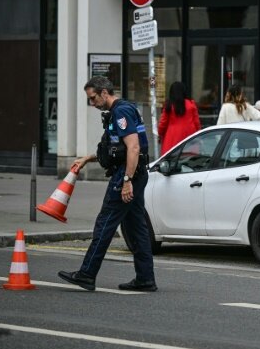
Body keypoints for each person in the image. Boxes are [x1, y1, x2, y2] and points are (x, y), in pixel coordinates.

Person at [58, 76, 156, 292]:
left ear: (104, 93)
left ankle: (87, 274)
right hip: (134, 172)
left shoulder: (121, 112)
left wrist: (127, 181)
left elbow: (133, 148)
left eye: (93, 98)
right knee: (136, 226)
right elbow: (115, 149)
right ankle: (145, 279)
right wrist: (88, 158)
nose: (92, 103)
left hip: (128, 173)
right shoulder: (120, 110)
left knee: (105, 222)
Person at [158, 81, 201, 153]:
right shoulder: (191, 104)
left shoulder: (169, 106)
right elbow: (197, 124)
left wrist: (160, 135)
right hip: (190, 138)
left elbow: (162, 125)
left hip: (172, 140)